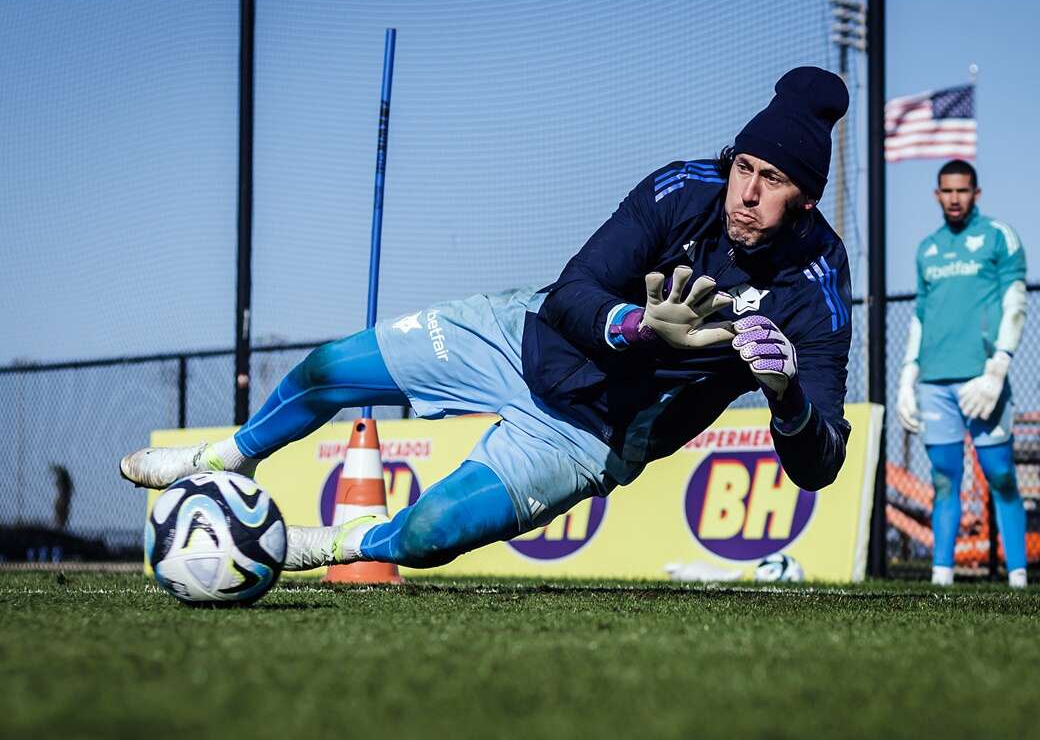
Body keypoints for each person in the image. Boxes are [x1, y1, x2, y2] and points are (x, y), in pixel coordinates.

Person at [121, 67, 854, 572]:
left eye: (774, 181)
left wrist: (786, 398)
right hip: (522, 336)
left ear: (808, 202)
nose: (747, 194)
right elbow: (575, 291)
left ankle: (332, 543)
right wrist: (639, 326)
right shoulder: (682, 189)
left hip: (590, 433)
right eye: (744, 168)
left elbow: (821, 467)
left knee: (429, 535)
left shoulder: (815, 291)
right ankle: (228, 459)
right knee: (328, 370)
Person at [894, 160, 1029, 588]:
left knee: (1002, 475)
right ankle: (941, 577)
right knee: (943, 479)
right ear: (937, 195)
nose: (955, 198)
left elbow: (1016, 302)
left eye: (962, 190)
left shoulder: (998, 237)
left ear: (976, 193)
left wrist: (998, 368)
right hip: (935, 382)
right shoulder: (926, 249)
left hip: (982, 380)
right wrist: (906, 377)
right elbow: (920, 315)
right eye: (946, 191)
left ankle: (1019, 576)